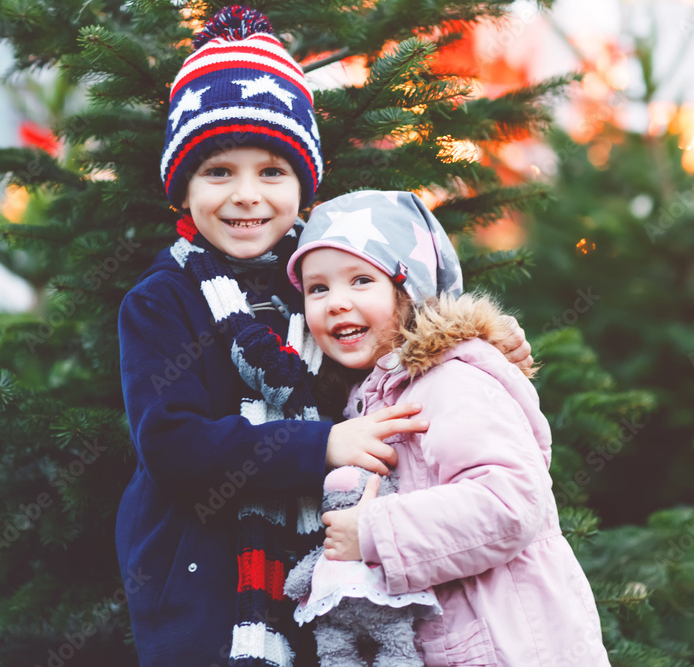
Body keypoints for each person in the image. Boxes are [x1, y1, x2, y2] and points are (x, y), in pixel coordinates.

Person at [115, 7, 533, 665]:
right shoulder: (163, 299)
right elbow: (172, 443)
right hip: (204, 581)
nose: (246, 195)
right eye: (219, 172)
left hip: (321, 562)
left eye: (272, 172)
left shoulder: (314, 277)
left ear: (302, 185)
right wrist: (323, 443)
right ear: (182, 185)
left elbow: (388, 344)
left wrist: (477, 340)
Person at [286, 190, 611, 666]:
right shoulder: (368, 397)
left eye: (360, 280)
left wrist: (374, 534)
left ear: (409, 290)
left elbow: (508, 502)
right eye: (318, 289)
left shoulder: (449, 379)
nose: (336, 302)